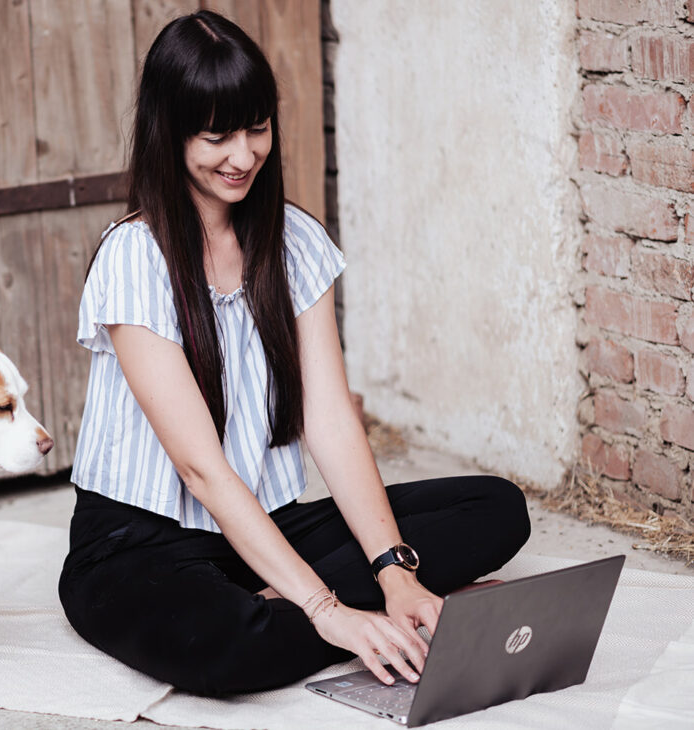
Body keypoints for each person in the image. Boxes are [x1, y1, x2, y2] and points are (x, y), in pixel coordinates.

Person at [56, 10, 531, 697]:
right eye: (216, 135)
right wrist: (328, 608)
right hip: (139, 544)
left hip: (264, 526)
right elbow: (200, 470)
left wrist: (395, 571)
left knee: (496, 509)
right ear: (170, 132)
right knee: (227, 650)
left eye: (256, 129)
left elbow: (330, 419)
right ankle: (312, 616)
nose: (243, 155)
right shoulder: (135, 256)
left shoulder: (295, 242)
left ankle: (314, 603)